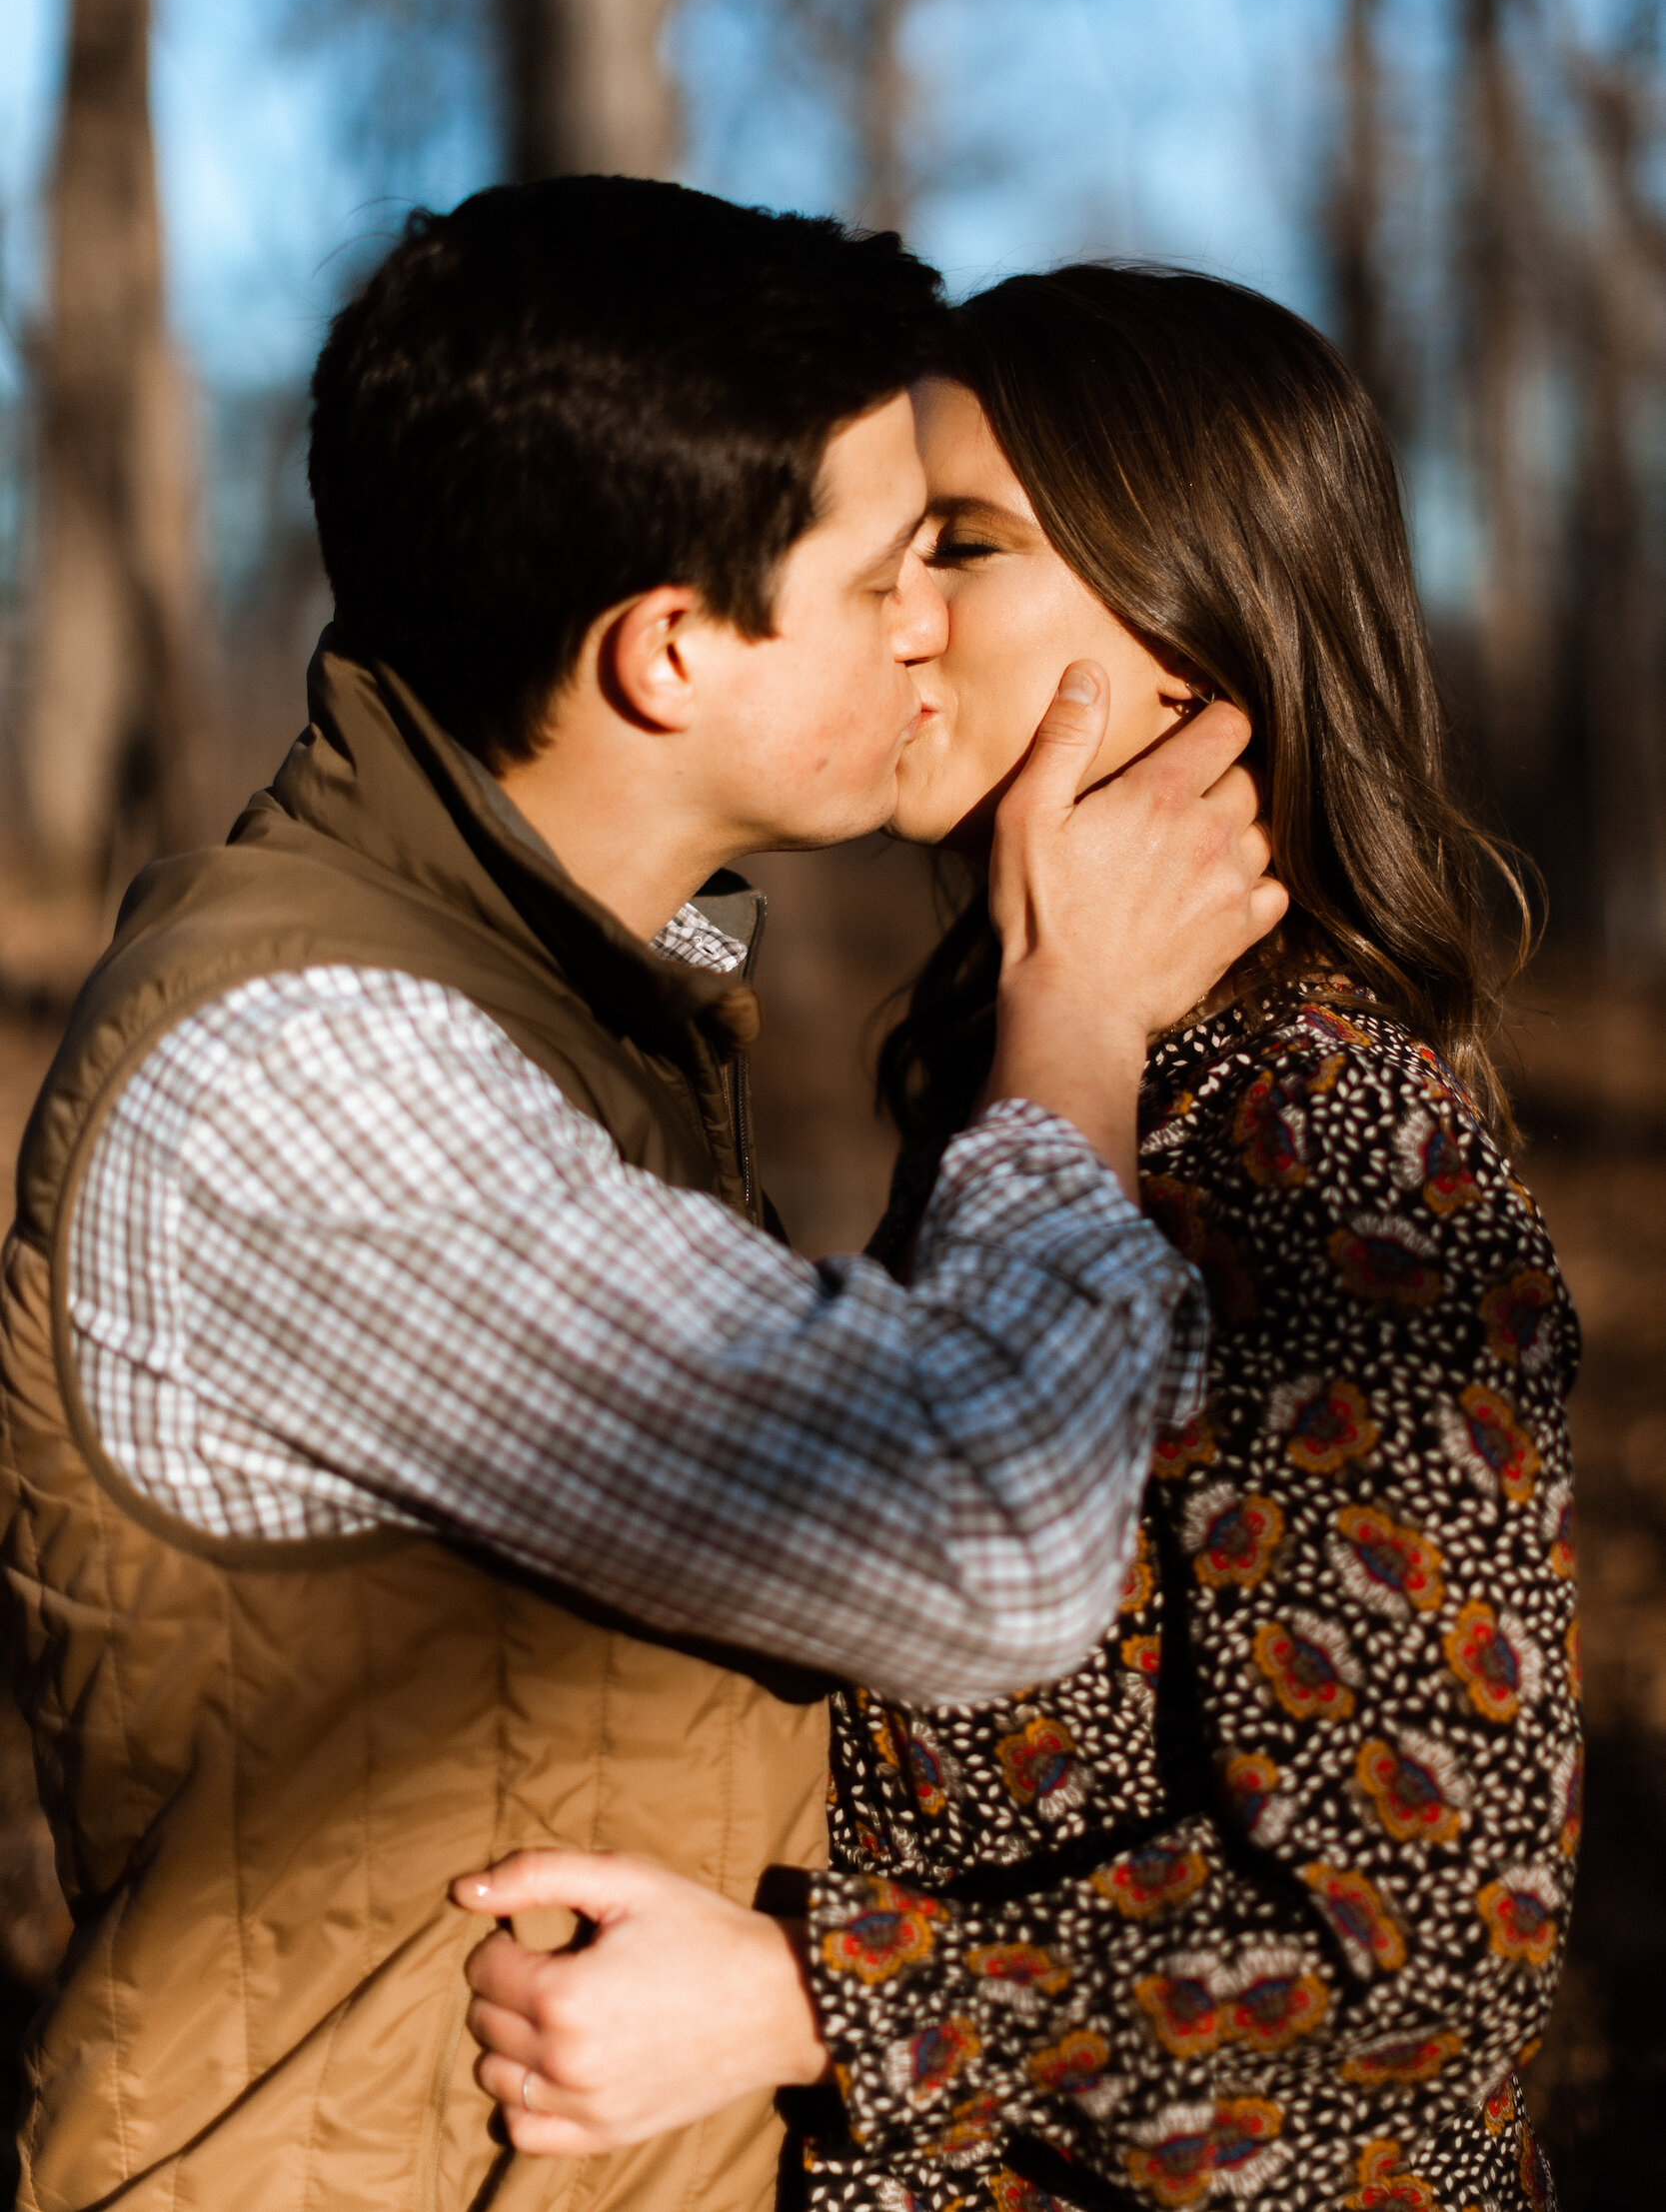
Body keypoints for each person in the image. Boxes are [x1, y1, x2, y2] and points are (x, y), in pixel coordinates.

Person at [0, 194, 1281, 2212]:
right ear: (672, 649)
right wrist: (1076, 1011)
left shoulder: (580, 999)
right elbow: (992, 1542)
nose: (937, 624)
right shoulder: (311, 1085)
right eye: (890, 573)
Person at [459, 267, 1581, 2212]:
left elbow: (1430, 1975)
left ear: (1188, 626)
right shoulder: (1025, 1062)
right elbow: (680, 978)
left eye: (959, 547)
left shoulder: (1321, 1138)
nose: (894, 616)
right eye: (886, 549)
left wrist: (811, 2001)